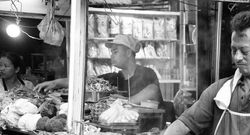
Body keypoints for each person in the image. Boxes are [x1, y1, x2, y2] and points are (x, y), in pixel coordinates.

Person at [34, 34, 163, 105]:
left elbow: (153, 90)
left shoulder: (146, 73)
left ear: (129, 53)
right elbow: (86, 81)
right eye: (111, 52)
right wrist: (55, 83)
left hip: (149, 130)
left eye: (115, 51)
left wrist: (124, 102)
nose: (111, 55)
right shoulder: (114, 78)